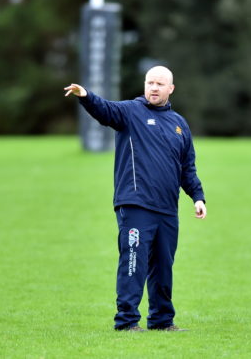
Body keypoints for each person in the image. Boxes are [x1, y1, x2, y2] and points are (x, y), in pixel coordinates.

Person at [64, 66, 206, 332]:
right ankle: (127, 321)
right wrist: (85, 95)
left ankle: (162, 320)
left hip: (167, 208)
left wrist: (197, 196)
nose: (154, 88)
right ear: (144, 85)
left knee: (163, 266)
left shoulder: (179, 124)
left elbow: (187, 167)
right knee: (133, 262)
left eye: (160, 84)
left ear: (170, 89)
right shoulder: (130, 112)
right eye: (150, 82)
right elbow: (104, 110)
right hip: (135, 204)